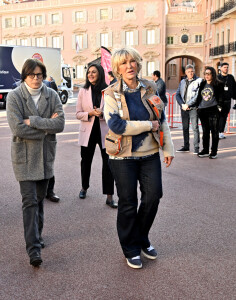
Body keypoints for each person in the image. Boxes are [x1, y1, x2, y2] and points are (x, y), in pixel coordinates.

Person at [104, 47, 174, 269]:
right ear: (117, 68)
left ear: (138, 64)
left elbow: (160, 119)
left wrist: (168, 148)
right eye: (124, 63)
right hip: (122, 156)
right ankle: (131, 248)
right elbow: (116, 125)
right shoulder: (111, 93)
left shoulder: (150, 87)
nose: (129, 66)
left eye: (133, 61)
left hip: (150, 153)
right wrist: (147, 125)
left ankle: (141, 238)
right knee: (128, 202)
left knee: (153, 196)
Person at [6, 58, 65, 267]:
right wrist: (46, 128)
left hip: (45, 157)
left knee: (39, 200)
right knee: (29, 201)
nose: (36, 79)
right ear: (25, 76)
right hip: (24, 158)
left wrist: (36, 122)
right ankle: (33, 250)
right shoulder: (14, 97)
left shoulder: (52, 95)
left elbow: (60, 124)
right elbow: (17, 128)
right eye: (32, 75)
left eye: (39, 75)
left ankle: (37, 236)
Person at [76, 63, 117, 209]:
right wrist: (90, 114)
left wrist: (103, 114)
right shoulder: (83, 91)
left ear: (100, 73)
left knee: (108, 163)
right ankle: (84, 187)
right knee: (86, 162)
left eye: (94, 72)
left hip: (104, 131)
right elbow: (78, 114)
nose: (91, 74)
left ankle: (109, 196)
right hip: (88, 132)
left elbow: (114, 113)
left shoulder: (108, 91)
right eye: (89, 72)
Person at [187, 67, 224, 159]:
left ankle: (214, 151)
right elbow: (199, 96)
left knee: (214, 132)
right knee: (205, 131)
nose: (206, 75)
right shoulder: (203, 83)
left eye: (209, 73)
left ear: (213, 74)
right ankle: (205, 150)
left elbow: (221, 97)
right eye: (205, 73)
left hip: (213, 110)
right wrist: (198, 107)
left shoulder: (218, 84)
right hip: (203, 110)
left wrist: (219, 107)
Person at [175, 64, 202, 154]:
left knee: (195, 128)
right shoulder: (182, 81)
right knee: (185, 128)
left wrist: (188, 104)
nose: (191, 73)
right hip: (184, 108)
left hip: (193, 108)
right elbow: (177, 94)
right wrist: (182, 104)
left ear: (194, 71)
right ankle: (186, 146)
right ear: (186, 73)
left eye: (192, 71)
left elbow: (198, 96)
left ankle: (196, 148)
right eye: (189, 72)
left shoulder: (199, 81)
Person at [217, 62, 236, 139]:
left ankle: (221, 132)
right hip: (219, 102)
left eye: (227, 67)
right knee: (219, 117)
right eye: (224, 67)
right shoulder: (217, 77)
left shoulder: (231, 77)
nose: (226, 69)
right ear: (220, 68)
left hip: (227, 101)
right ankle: (217, 132)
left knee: (224, 117)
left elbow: (235, 89)